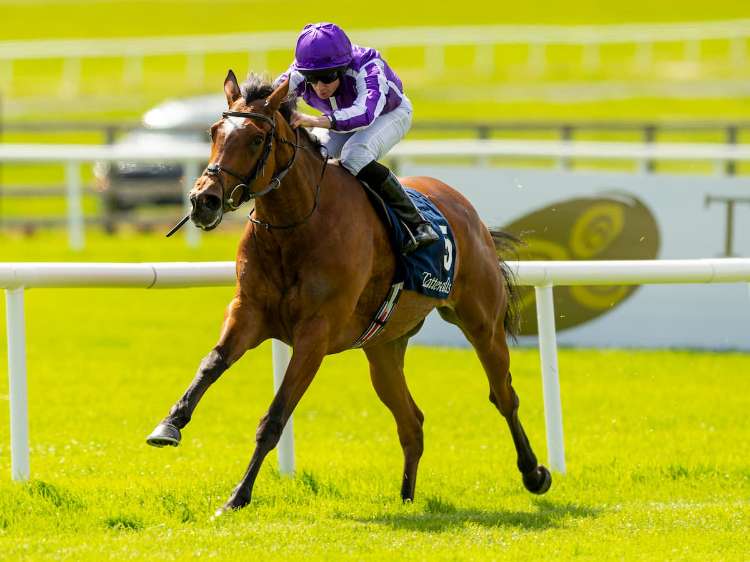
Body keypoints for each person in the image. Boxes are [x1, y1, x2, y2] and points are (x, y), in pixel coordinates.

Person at [273, 22, 439, 255]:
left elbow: (365, 114)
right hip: (340, 118)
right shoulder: (301, 71)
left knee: (355, 155)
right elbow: (270, 97)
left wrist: (316, 121)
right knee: (313, 155)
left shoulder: (368, 66)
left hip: (388, 114)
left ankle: (417, 224)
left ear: (343, 68)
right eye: (312, 78)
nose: (319, 87)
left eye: (327, 77)